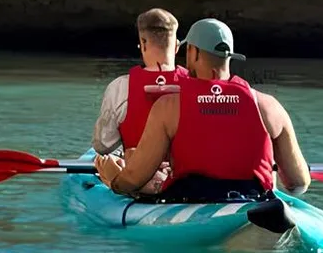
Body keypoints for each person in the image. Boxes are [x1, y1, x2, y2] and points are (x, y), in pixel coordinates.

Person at [97, 18, 311, 200]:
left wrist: (113, 179)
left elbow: (135, 179)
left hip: (189, 202)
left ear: (194, 52)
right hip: (254, 201)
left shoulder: (168, 107)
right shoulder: (268, 106)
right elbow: (298, 183)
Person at [93, 9, 182, 157]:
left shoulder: (119, 88)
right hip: (184, 176)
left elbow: (102, 145)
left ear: (143, 44)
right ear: (177, 46)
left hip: (137, 175)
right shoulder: (197, 85)